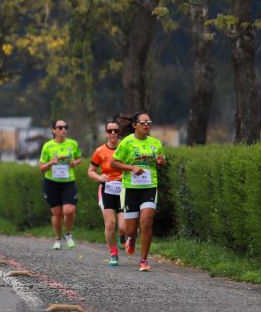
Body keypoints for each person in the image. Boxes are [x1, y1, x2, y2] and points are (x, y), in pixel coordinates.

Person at [110, 111, 167, 272]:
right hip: (131, 189)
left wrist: (161, 161)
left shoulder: (155, 143)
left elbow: (162, 160)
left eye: (149, 122)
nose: (146, 125)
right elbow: (114, 163)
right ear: (135, 125)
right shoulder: (127, 143)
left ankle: (143, 260)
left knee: (147, 221)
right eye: (143, 122)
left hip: (149, 187)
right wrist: (131, 168)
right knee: (130, 229)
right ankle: (131, 238)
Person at [39, 120, 82, 250]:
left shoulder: (73, 144)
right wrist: (51, 162)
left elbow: (79, 158)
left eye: (65, 127)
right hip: (51, 183)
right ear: (53, 130)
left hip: (68, 181)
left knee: (69, 210)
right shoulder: (47, 146)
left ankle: (68, 234)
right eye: (60, 127)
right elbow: (41, 168)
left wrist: (75, 163)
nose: (63, 129)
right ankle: (58, 239)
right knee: (57, 213)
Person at [88, 121, 126, 266]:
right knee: (110, 224)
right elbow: (90, 171)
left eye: (116, 131)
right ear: (106, 133)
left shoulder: (125, 148)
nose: (113, 134)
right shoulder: (99, 151)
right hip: (106, 189)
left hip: (123, 189)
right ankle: (113, 253)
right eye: (110, 131)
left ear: (119, 132)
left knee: (123, 227)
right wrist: (100, 177)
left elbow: (133, 166)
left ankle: (122, 236)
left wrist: (125, 176)